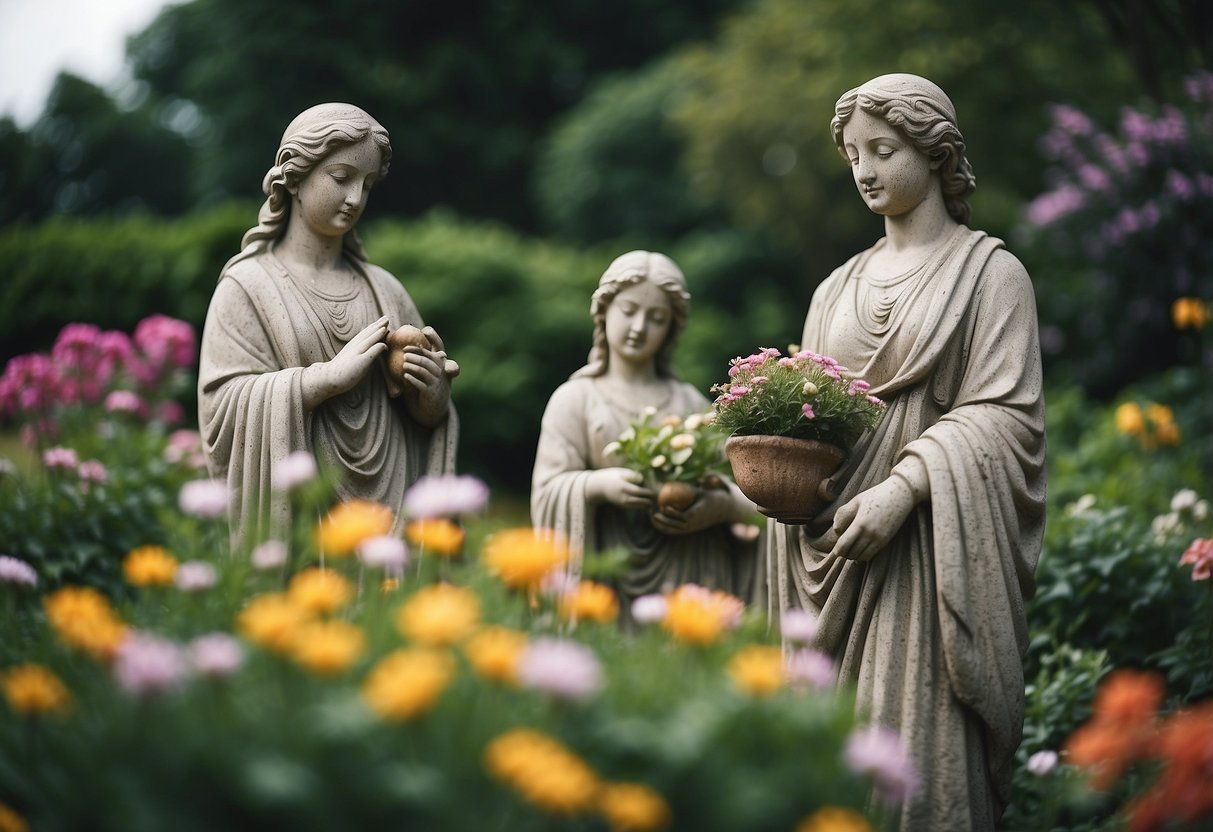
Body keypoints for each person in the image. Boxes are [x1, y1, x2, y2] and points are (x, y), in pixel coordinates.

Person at [767, 75, 1046, 830]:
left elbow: (1006, 418)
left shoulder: (991, 276)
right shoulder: (833, 290)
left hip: (927, 555)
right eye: (852, 153)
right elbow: (807, 419)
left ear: (935, 151)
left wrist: (905, 487)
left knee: (912, 765)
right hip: (829, 554)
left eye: (882, 150)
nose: (862, 169)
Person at [198, 103, 458, 550]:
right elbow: (221, 409)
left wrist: (432, 397)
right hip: (303, 523)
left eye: (368, 184)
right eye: (341, 178)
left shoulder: (385, 290)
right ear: (295, 177)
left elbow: (426, 418)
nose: (356, 197)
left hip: (390, 514)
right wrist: (321, 381)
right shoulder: (247, 287)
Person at [531, 250, 759, 621]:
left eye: (656, 318)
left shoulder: (691, 403)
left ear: (671, 329)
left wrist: (720, 507)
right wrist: (596, 486)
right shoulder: (575, 399)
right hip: (605, 582)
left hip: (689, 578)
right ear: (603, 311)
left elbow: (748, 498)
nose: (639, 327)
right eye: (628, 310)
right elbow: (547, 491)